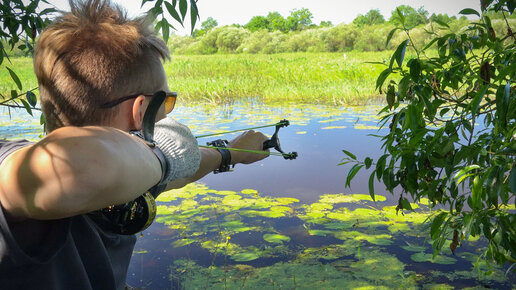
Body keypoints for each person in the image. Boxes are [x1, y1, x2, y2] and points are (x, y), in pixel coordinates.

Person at [0, 0, 269, 289]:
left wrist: (229, 152)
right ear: (140, 110)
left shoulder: (124, 173)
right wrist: (166, 151)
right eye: (166, 101)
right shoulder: (13, 166)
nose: (169, 111)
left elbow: (171, 174)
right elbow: (81, 169)